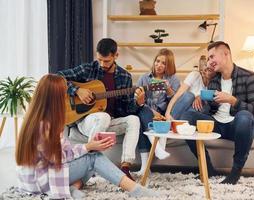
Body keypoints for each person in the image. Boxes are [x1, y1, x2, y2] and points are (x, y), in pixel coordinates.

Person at [15, 74, 158, 199]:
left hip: (36, 178)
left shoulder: (36, 119)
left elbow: (61, 153)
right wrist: (88, 147)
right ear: (54, 98)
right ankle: (135, 189)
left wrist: (89, 147)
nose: (67, 97)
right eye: (64, 94)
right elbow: (58, 158)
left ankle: (74, 188)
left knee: (91, 156)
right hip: (42, 181)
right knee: (94, 158)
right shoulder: (45, 125)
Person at [180, 41, 254, 185]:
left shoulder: (250, 77)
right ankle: (207, 168)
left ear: (226, 54)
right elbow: (209, 110)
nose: (210, 61)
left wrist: (233, 101)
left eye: (212, 57)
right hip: (217, 124)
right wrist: (201, 98)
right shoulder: (214, 80)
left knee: (244, 117)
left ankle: (235, 172)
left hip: (237, 127)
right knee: (187, 116)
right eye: (208, 58)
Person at [57, 38, 143, 180]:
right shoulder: (88, 69)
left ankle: (125, 167)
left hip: (110, 122)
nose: (102, 64)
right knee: (104, 116)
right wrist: (77, 90)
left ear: (116, 56)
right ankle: (89, 163)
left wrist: (138, 103)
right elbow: (56, 77)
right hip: (85, 122)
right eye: (99, 60)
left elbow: (127, 110)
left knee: (133, 119)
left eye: (107, 61)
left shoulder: (125, 76)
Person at [134, 48, 180, 175]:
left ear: (169, 65)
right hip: (146, 111)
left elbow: (176, 102)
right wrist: (141, 100)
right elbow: (136, 101)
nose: (159, 65)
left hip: (163, 115)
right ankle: (152, 156)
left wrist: (168, 89)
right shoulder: (144, 78)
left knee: (142, 120)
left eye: (163, 63)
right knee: (142, 115)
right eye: (157, 61)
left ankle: (145, 166)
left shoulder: (173, 79)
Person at [165, 55, 215, 120]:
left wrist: (201, 96)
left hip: (194, 113)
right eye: (205, 65)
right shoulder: (195, 75)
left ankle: (178, 124)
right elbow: (177, 95)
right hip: (181, 108)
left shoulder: (216, 82)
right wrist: (167, 113)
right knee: (189, 95)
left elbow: (214, 99)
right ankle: (172, 121)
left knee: (205, 104)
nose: (206, 69)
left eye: (210, 68)